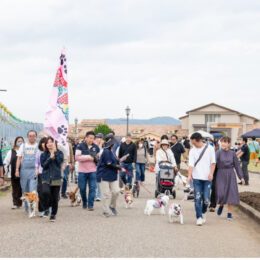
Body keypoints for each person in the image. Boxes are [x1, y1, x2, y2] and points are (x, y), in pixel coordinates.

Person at [187, 132, 216, 226]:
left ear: (199, 140)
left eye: (194, 142)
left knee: (206, 199)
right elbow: (191, 164)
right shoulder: (192, 151)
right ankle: (199, 217)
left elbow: (213, 163)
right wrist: (189, 175)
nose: (193, 144)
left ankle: (203, 212)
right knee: (197, 198)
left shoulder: (210, 149)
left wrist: (211, 173)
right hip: (196, 178)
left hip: (207, 178)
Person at [215, 137, 245, 220]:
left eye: (225, 142)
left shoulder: (232, 154)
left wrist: (241, 177)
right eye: (222, 142)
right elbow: (213, 164)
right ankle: (221, 204)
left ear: (229, 143)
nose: (223, 144)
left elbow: (237, 166)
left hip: (231, 174)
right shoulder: (218, 153)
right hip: (220, 174)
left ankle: (229, 213)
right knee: (221, 193)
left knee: (231, 193)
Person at [97, 134, 123, 217]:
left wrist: (119, 162)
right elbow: (109, 163)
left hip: (112, 175)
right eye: (113, 142)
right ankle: (105, 211)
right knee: (106, 194)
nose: (114, 143)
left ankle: (112, 206)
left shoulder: (112, 151)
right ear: (110, 143)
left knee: (116, 191)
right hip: (103, 175)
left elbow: (115, 161)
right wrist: (118, 168)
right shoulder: (106, 151)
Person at [40, 137, 64, 222]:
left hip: (56, 178)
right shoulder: (43, 154)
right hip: (46, 177)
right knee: (45, 192)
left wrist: (55, 154)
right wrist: (50, 157)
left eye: (51, 142)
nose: (49, 144)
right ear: (45, 145)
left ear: (55, 143)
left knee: (55, 198)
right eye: (48, 142)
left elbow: (59, 162)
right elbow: (43, 165)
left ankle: (53, 214)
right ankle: (46, 208)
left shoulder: (60, 153)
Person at [75, 131, 100, 210]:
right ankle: (84, 201)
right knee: (82, 188)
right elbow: (77, 157)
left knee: (92, 188)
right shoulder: (80, 146)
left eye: (93, 138)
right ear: (86, 138)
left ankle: (90, 205)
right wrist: (88, 157)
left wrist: (97, 159)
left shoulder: (96, 147)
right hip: (82, 171)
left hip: (93, 171)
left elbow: (99, 158)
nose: (91, 140)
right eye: (90, 138)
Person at [15, 130, 38, 213]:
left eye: (33, 135)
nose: (32, 137)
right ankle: (26, 207)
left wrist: (38, 169)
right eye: (30, 136)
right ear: (27, 137)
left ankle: (32, 208)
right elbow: (19, 158)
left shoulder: (38, 146)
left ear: (36, 137)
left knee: (32, 190)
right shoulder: (23, 146)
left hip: (33, 171)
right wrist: (17, 169)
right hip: (24, 171)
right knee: (25, 189)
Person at [4, 136, 24, 209]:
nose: (20, 143)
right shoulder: (11, 152)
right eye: (18, 141)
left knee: (21, 188)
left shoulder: (24, 151)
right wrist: (4, 172)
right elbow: (6, 162)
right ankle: (15, 203)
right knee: (15, 188)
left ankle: (20, 202)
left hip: (23, 173)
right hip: (13, 173)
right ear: (15, 142)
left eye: (21, 141)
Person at [35, 137, 47, 217]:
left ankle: (48, 208)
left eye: (45, 142)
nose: (44, 144)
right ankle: (42, 209)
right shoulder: (39, 152)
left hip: (49, 174)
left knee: (48, 192)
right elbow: (37, 163)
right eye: (42, 142)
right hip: (40, 173)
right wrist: (36, 170)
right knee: (41, 192)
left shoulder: (51, 152)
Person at [95, 133, 104, 201]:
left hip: (101, 166)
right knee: (93, 181)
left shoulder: (105, 147)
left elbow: (101, 155)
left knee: (99, 181)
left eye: (99, 138)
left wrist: (100, 146)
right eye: (97, 137)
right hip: (93, 165)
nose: (98, 139)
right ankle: (94, 194)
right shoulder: (94, 146)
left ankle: (99, 195)